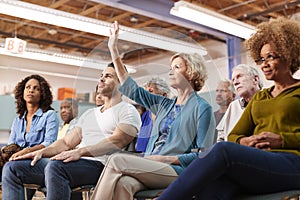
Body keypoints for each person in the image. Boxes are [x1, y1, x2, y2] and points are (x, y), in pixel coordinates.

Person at [157, 17, 300, 200]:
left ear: (289, 54)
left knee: (222, 150)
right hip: (259, 165)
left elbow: (227, 145)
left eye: (270, 57)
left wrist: (282, 140)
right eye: (261, 58)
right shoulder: (260, 97)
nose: (264, 63)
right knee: (217, 185)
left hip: (292, 165)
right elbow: (234, 135)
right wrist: (245, 142)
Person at [90, 21, 216, 200]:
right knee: (124, 184)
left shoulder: (203, 108)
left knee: (116, 159)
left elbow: (204, 156)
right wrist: (113, 50)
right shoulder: (164, 104)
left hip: (177, 170)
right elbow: (131, 88)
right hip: (151, 164)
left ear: (192, 73)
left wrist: (165, 159)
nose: (171, 72)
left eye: (177, 67)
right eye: (170, 68)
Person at [1, 63, 141, 200]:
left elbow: (117, 141)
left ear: (122, 83)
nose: (101, 79)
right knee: (13, 168)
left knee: (56, 167)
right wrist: (40, 152)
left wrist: (79, 152)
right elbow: (67, 142)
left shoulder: (127, 110)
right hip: (72, 163)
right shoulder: (90, 113)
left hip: (101, 165)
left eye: (108, 76)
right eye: (101, 75)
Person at [0, 74, 59, 180]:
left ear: (42, 94)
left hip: (39, 159)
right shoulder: (17, 120)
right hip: (18, 159)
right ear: (22, 92)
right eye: (28, 87)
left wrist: (27, 151)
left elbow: (49, 143)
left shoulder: (50, 115)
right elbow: (11, 144)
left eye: (36, 88)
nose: (31, 90)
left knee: (11, 167)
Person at [216, 64, 262, 142]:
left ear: (255, 79)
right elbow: (221, 138)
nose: (235, 83)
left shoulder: (269, 100)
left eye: (239, 76)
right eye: (233, 80)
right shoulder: (233, 106)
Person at [135, 77, 170, 153]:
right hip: (139, 157)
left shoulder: (169, 117)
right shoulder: (144, 115)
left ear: (163, 95)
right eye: (145, 92)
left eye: (150, 91)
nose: (146, 96)